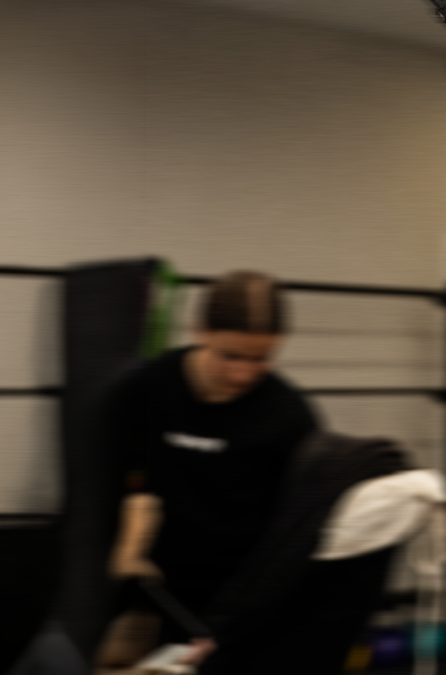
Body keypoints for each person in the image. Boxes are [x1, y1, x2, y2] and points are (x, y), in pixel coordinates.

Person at [102, 270, 317, 669]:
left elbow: (293, 533)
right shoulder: (142, 391)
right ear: (199, 330)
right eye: (230, 356)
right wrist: (128, 547)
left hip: (239, 602)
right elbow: (126, 477)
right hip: (152, 593)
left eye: (262, 358)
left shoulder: (290, 416)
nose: (244, 373)